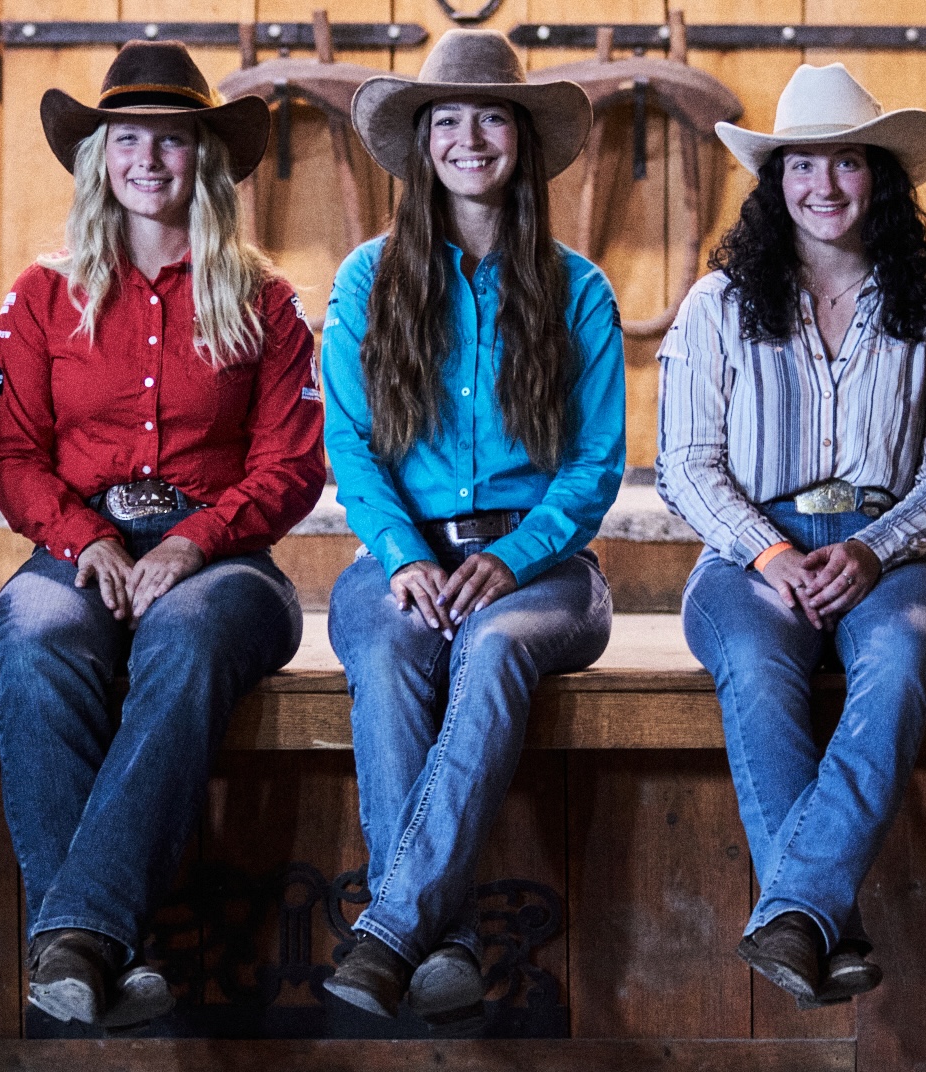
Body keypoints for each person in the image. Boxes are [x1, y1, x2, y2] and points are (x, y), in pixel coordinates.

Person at [0, 40, 325, 1031]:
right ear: (99, 157)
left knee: (185, 635)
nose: (148, 159)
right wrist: (84, 538)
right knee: (33, 634)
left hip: (223, 562)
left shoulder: (265, 300)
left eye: (171, 140)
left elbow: (291, 465)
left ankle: (73, 931)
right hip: (75, 545)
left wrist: (191, 543)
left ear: (203, 161)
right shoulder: (41, 294)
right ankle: (98, 951)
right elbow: (9, 453)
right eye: (127, 138)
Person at [657, 63, 926, 1009]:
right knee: (758, 667)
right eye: (803, 166)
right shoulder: (717, 309)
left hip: (894, 550)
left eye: (845, 164)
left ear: (877, 177)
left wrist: (876, 548)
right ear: (777, 182)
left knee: (904, 652)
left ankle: (796, 914)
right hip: (751, 549)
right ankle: (818, 918)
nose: (824, 187)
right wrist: (771, 553)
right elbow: (686, 465)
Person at [320, 29, 625, 1021]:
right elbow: (351, 443)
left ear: (520, 138)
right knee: (390, 649)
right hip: (399, 555)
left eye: (487, 116)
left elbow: (592, 469)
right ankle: (441, 943)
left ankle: (390, 928)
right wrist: (405, 555)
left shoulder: (577, 289)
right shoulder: (368, 280)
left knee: (492, 651)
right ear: (418, 147)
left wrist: (508, 557)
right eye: (443, 119)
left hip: (541, 569)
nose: (466, 137)